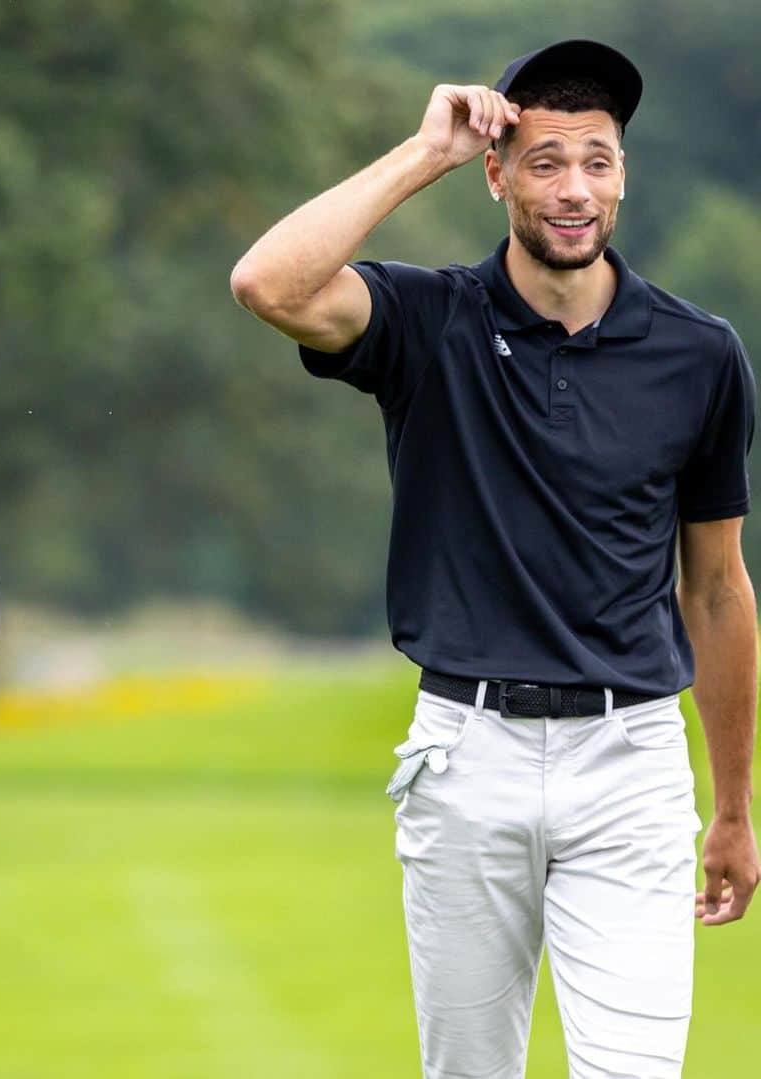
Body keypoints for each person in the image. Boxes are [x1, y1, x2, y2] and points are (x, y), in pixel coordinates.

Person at [231, 39, 758, 1078]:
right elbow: (267, 282)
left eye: (597, 161)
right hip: (465, 755)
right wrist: (422, 150)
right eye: (547, 160)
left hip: (632, 763)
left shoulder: (700, 354)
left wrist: (736, 805)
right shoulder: (428, 322)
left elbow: (716, 587)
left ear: (623, 175)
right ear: (499, 174)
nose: (574, 189)